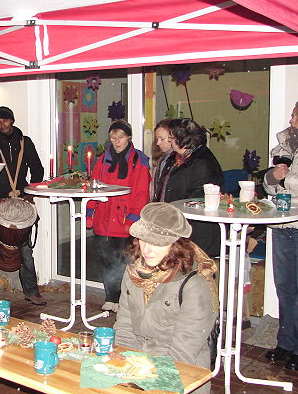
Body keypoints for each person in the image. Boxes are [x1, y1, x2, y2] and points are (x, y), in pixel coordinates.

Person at [114, 202, 218, 393]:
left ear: (175, 245)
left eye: (157, 243)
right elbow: (124, 326)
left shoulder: (195, 284)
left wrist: (143, 380)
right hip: (137, 366)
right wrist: (123, 365)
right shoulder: (134, 273)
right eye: (143, 240)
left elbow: (183, 351)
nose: (147, 250)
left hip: (179, 372)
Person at [0, 106, 45, 306]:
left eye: (5, 120)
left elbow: (37, 169)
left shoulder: (25, 142)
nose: (2, 124)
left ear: (12, 120)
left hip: (20, 205)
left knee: (26, 252)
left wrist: (29, 194)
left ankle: (31, 291)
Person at [87, 120, 151, 312]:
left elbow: (141, 193)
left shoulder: (138, 160)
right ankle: (110, 297)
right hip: (104, 220)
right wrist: (90, 212)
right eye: (113, 138)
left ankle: (125, 301)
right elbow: (94, 186)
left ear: (128, 138)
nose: (117, 141)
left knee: (126, 263)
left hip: (124, 221)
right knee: (107, 260)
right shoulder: (103, 159)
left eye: (120, 137)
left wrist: (132, 219)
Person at [263, 100, 298, 372]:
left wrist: (285, 178)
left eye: (295, 115)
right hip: (281, 225)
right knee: (284, 288)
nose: (291, 120)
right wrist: (272, 177)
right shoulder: (283, 145)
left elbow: (291, 181)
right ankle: (285, 343)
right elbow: (270, 185)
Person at [152, 118, 224, 257]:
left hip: (197, 234)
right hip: (179, 228)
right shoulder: (177, 158)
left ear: (183, 139)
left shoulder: (203, 163)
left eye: (172, 137)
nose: (170, 141)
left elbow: (197, 201)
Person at [150, 118, 172, 201]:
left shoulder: (178, 161)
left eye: (162, 139)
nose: (158, 143)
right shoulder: (161, 159)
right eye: (157, 139)